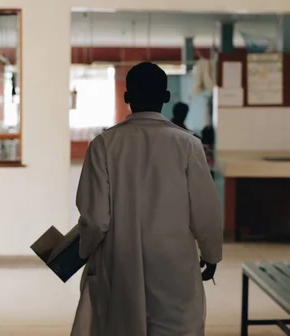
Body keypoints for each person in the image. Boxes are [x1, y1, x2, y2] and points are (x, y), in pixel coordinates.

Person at [71, 62, 223, 336]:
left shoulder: (103, 145)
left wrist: (83, 253)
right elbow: (206, 212)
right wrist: (211, 254)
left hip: (119, 262)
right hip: (173, 263)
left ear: (127, 97)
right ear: (166, 97)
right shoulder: (188, 144)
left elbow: (95, 220)